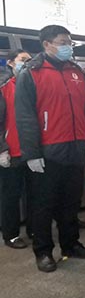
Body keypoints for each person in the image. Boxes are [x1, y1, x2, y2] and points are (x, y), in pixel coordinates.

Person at [15, 25, 85, 272]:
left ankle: (71, 244)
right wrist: (31, 153)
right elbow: (25, 116)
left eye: (70, 42)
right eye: (63, 42)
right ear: (47, 44)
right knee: (43, 206)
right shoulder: (32, 73)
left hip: (76, 148)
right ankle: (43, 251)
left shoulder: (76, 72)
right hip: (47, 152)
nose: (68, 47)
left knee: (71, 202)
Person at [0, 49, 32, 249]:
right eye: (23, 60)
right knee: (11, 195)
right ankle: (11, 234)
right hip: (12, 153)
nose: (27, 63)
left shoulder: (33, 85)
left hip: (32, 151)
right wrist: (2, 149)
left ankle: (33, 228)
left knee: (35, 194)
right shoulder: (4, 88)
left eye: (29, 60)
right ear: (11, 63)